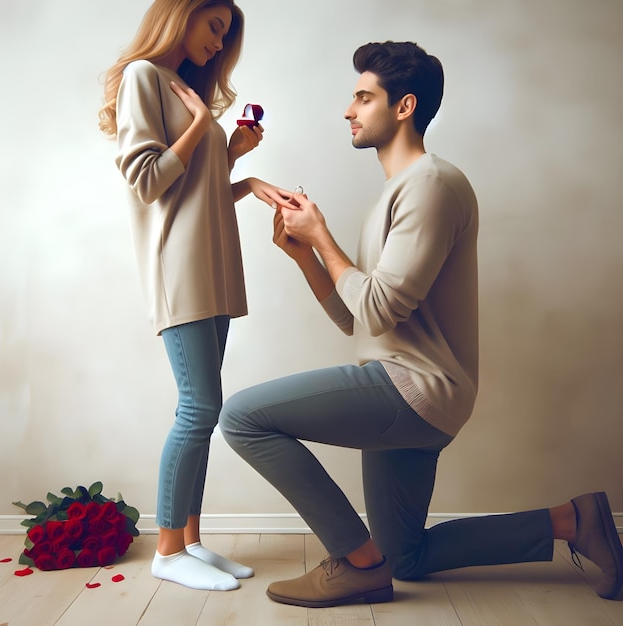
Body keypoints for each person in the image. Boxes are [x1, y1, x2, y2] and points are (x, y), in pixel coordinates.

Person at [218, 41, 623, 607]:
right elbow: (356, 318)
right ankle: (573, 521)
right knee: (405, 556)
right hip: (406, 385)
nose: (348, 110)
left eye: (363, 97)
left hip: (413, 388)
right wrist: (305, 253)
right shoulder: (398, 193)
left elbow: (378, 309)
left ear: (403, 107)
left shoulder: (432, 184)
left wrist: (323, 240)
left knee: (241, 418)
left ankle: (355, 563)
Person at [99, 0, 292, 591]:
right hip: (178, 270)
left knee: (203, 412)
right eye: (214, 26)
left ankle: (190, 541)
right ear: (179, 15)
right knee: (198, 408)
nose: (219, 42)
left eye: (226, 34)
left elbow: (197, 191)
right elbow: (147, 180)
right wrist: (201, 131)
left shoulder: (186, 89)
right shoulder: (144, 78)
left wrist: (238, 164)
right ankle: (165, 550)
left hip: (212, 266)